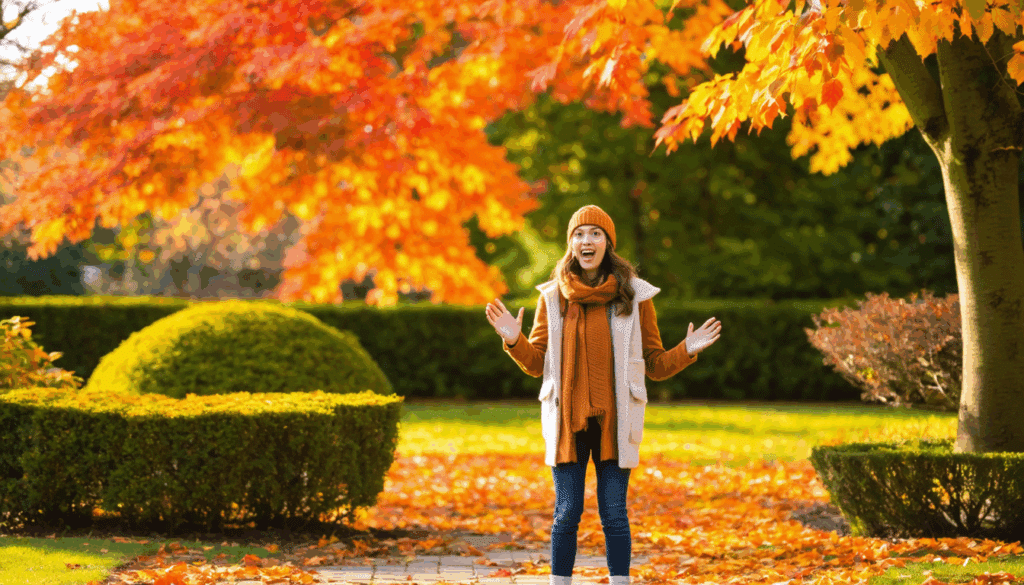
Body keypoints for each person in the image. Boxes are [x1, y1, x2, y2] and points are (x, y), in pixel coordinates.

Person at [484, 205, 722, 585]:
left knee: (614, 512)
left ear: (608, 243)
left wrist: (687, 349)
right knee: (567, 512)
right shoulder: (552, 299)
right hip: (568, 423)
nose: (586, 240)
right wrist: (514, 339)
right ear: (570, 244)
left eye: (595, 233)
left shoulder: (635, 297)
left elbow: (655, 364)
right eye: (579, 234)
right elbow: (536, 363)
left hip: (615, 422)